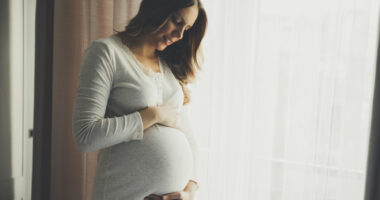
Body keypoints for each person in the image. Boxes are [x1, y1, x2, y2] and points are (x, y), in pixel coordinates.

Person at [71, 0, 207, 199]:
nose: (179, 35)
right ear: (156, 8)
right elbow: (85, 135)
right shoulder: (106, 53)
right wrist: (153, 115)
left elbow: (189, 138)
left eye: (186, 29)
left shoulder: (169, 65)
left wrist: (189, 191)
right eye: (176, 21)